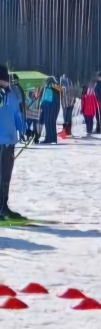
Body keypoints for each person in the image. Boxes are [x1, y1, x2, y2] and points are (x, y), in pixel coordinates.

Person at [0, 66, 27, 221]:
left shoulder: (12, 94)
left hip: (10, 141)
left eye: (6, 79)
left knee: (5, 176)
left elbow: (17, 114)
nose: (5, 82)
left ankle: (3, 206)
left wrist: (24, 129)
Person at [39, 77, 61, 144]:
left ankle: (48, 138)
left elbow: (45, 98)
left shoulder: (47, 87)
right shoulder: (57, 87)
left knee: (48, 123)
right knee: (52, 123)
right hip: (55, 107)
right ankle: (53, 138)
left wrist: (42, 105)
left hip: (48, 107)